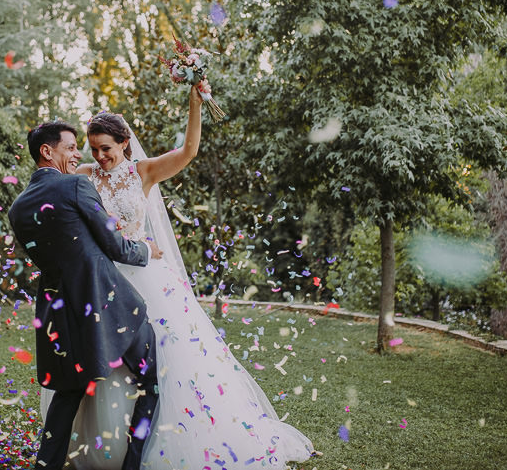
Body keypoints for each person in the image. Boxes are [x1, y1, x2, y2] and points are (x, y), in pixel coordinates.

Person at [43, 84, 315, 468]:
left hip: (146, 277)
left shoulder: (144, 171)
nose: (100, 156)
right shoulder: (84, 175)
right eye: (94, 148)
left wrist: (195, 101)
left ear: (124, 144)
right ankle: (102, 448)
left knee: (169, 361)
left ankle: (158, 449)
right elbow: (55, 180)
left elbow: (188, 151)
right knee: (104, 366)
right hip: (103, 280)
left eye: (106, 147)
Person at [8, 121, 164, 470]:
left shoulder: (17, 208)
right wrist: (146, 249)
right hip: (111, 305)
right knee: (150, 381)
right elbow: (115, 246)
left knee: (69, 391)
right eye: (71, 147)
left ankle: (45, 465)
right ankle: (132, 465)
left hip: (61, 312)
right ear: (47, 152)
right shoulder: (75, 185)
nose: (78, 154)